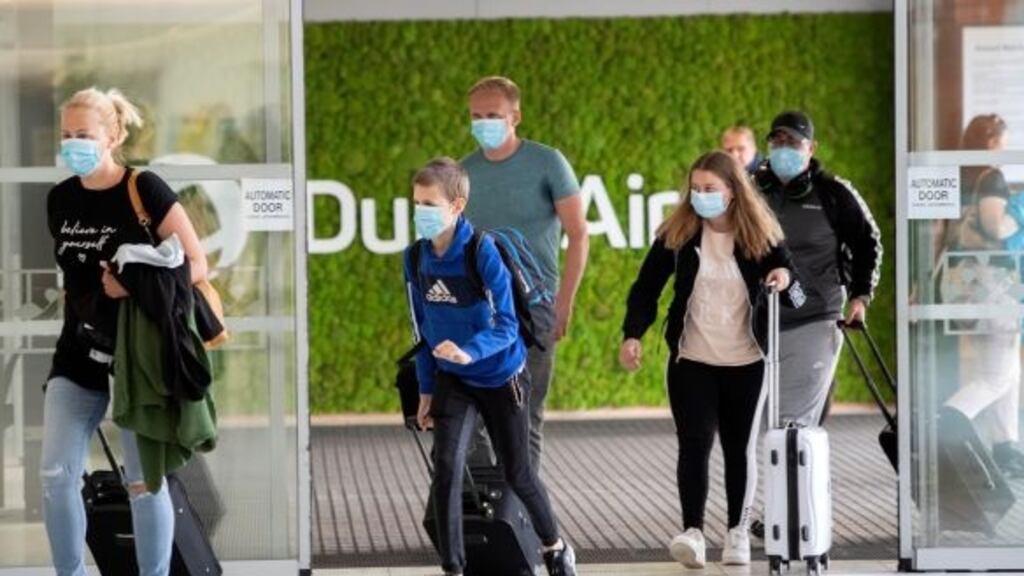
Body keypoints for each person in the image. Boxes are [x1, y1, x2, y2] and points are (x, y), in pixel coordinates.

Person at [43, 88, 209, 576]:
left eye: (84, 135)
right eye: (67, 136)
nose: (73, 144)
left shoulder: (146, 189)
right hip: (78, 353)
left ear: (113, 136)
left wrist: (132, 285)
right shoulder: (60, 198)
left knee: (144, 481)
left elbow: (196, 265)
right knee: (55, 474)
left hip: (138, 357)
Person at [620, 150, 802, 568]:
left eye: (710, 190)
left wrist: (784, 277)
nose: (701, 196)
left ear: (733, 193)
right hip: (692, 359)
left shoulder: (761, 235)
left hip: (747, 361)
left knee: (739, 449)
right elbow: (646, 287)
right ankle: (693, 532)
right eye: (696, 189)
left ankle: (737, 531)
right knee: (694, 445)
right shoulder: (678, 235)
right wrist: (633, 334)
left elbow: (797, 293)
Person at [404, 158, 576, 576]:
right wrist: (426, 391)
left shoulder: (482, 251)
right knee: (446, 469)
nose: (420, 212)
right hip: (454, 379)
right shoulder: (415, 258)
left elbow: (507, 324)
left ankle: (555, 547)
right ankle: (454, 567)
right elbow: (423, 332)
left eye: (429, 203)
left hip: (501, 375)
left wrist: (470, 351)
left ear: (457, 205)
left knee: (517, 472)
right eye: (416, 203)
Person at [461, 76, 589, 469]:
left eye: (494, 115)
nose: (484, 123)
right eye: (476, 116)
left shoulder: (547, 162)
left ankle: (526, 514)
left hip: (534, 306)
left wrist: (563, 304)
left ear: (515, 116)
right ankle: (487, 505)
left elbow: (579, 235)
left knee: (524, 412)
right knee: (474, 412)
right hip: (479, 308)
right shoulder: (463, 172)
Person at [753, 110, 883, 427]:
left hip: (814, 318)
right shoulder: (748, 191)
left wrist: (860, 297)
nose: (784, 148)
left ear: (811, 148)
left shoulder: (834, 194)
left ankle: (803, 475)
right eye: (777, 140)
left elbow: (868, 243)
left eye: (794, 142)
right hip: (754, 322)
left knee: (793, 424)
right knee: (753, 423)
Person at [939, 113, 1024, 477]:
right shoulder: (992, 177)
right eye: (1002, 141)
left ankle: (1006, 447)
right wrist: (1019, 215)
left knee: (1007, 367)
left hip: (963, 283)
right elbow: (995, 226)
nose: (1004, 148)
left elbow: (944, 235)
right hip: (993, 285)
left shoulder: (961, 176)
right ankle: (950, 417)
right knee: (998, 373)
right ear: (991, 141)